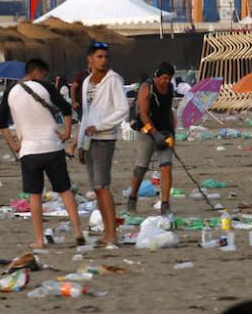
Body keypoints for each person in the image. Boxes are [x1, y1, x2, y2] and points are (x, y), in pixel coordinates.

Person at [0, 58, 85, 249]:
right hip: (52, 147)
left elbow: (1, 120)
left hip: (29, 151)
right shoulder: (46, 88)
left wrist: (13, 143)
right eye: (43, 74)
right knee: (65, 191)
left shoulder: (11, 92)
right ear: (36, 72)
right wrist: (67, 134)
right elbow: (67, 109)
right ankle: (78, 231)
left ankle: (39, 240)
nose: (44, 77)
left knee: (34, 196)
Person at [76, 41, 128, 247]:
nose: (103, 60)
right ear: (90, 59)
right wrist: (80, 142)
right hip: (90, 140)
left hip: (105, 139)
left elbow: (122, 109)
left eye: (105, 57)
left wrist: (100, 126)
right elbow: (86, 115)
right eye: (99, 56)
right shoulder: (87, 81)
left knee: (103, 186)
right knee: (96, 188)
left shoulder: (113, 79)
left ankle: (111, 234)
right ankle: (107, 232)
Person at [127, 62, 177, 217]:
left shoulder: (169, 89)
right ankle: (132, 197)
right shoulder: (146, 88)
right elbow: (143, 114)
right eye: (164, 78)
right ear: (157, 76)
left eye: (169, 78)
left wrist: (171, 133)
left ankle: (165, 204)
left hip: (165, 130)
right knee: (141, 167)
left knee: (166, 166)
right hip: (146, 130)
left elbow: (168, 110)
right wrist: (155, 134)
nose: (166, 81)